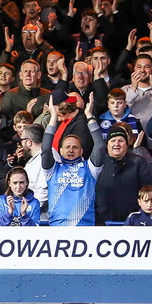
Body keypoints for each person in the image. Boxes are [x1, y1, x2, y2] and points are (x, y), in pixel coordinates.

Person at [41, 96, 105, 226]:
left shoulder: (90, 168)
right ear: (61, 151)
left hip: (84, 228)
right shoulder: (53, 169)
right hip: (58, 228)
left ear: (82, 151)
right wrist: (53, 117)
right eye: (67, 147)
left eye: (75, 147)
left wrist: (89, 116)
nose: (71, 150)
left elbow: (99, 145)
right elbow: (46, 149)